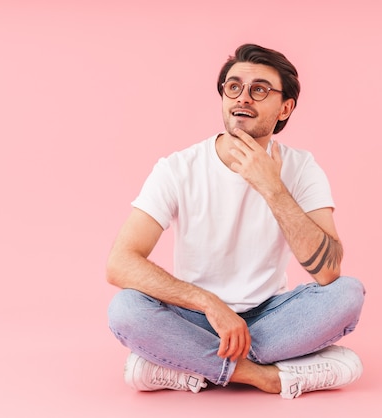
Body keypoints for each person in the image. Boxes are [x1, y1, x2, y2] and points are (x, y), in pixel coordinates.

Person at [106, 43, 365, 399]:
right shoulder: (178, 168)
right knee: (126, 310)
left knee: (348, 294)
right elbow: (120, 263)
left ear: (285, 107)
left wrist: (272, 187)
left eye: (259, 89)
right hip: (197, 317)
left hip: (269, 317)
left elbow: (327, 273)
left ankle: (182, 363)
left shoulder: (302, 168)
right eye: (234, 87)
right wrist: (211, 305)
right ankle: (264, 376)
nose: (243, 98)